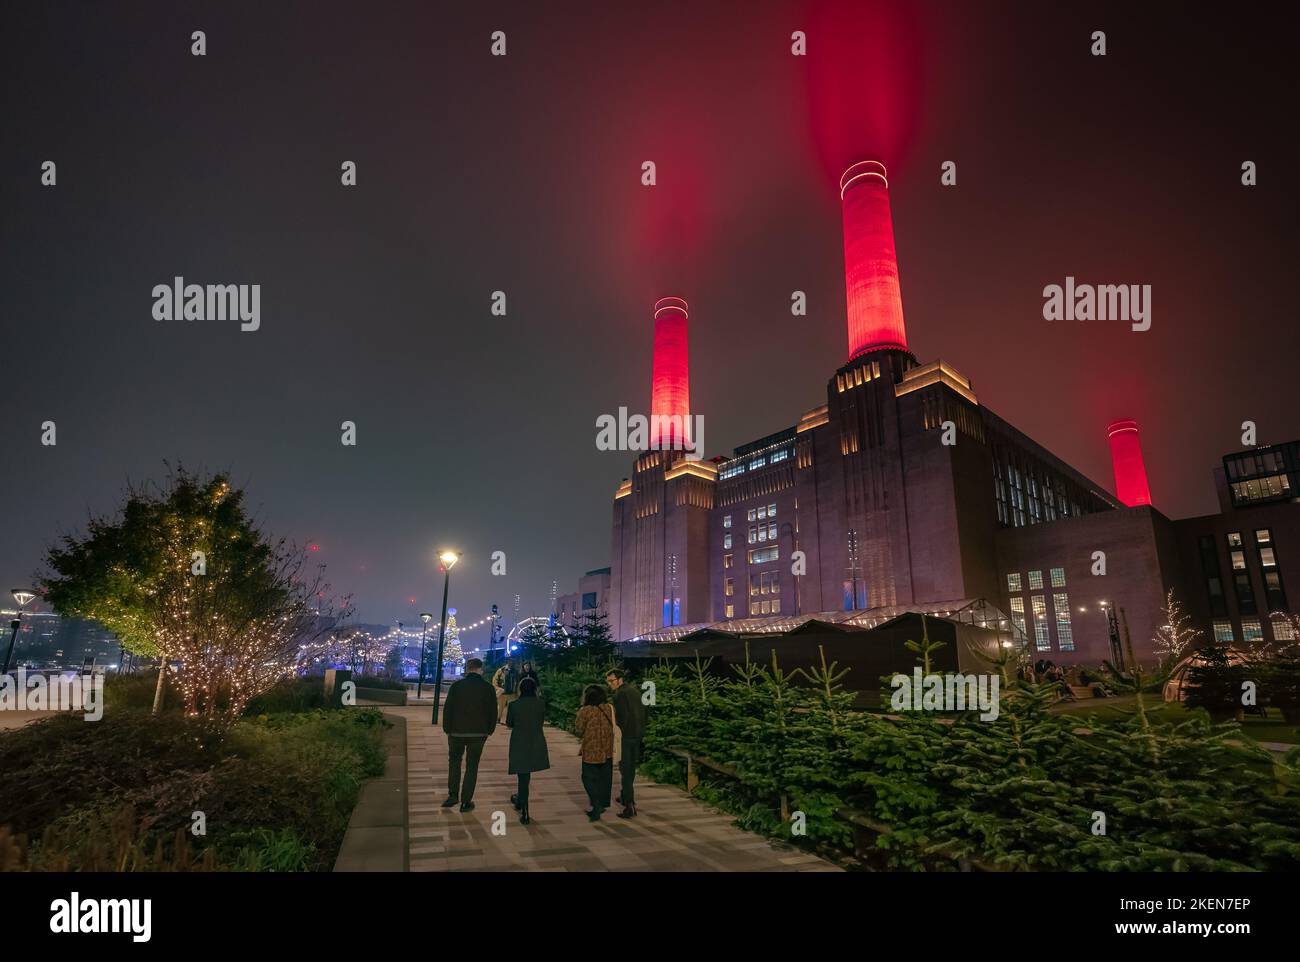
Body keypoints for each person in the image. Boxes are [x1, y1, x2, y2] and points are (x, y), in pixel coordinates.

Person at [440, 657, 497, 812]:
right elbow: (493, 712)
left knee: (454, 762)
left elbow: (448, 709)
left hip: (456, 732)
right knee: (472, 766)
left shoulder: (456, 686)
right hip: (479, 733)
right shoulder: (488, 688)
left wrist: (447, 728)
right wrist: (490, 730)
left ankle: (453, 795)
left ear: (467, 669)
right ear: (480, 669)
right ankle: (466, 802)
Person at [506, 677, 549, 824]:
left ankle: (524, 807)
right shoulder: (541, 704)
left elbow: (509, 723)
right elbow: (541, 721)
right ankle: (521, 801)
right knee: (526, 775)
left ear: (520, 689)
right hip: (536, 740)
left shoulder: (514, 705)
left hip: (519, 741)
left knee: (523, 775)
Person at [606, 668, 646, 818]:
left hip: (626, 736)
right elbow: (644, 712)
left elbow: (622, 717)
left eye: (611, 681)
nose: (609, 684)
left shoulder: (620, 694)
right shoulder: (635, 691)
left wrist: (617, 734)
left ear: (620, 679)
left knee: (626, 771)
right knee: (630, 769)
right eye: (608, 681)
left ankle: (629, 806)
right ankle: (624, 796)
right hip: (637, 735)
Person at [574, 684, 615, 821]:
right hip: (607, 750)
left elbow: (579, 730)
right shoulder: (609, 708)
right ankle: (602, 803)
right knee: (604, 778)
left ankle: (596, 804)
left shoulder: (584, 711)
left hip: (591, 751)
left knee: (588, 778)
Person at [492, 658, 519, 723]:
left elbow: (517, 681)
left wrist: (516, 691)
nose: (511, 662)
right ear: (507, 662)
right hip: (502, 692)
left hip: (511, 693)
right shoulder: (501, 670)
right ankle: (498, 719)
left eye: (512, 661)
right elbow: (494, 680)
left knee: (511, 707)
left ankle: (510, 720)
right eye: (509, 661)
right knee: (500, 707)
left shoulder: (515, 671)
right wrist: (498, 688)